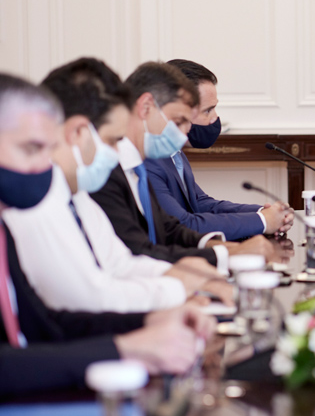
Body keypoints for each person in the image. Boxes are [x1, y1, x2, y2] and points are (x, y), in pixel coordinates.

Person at [0, 72, 214, 396]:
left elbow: (43, 321)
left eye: (48, 149)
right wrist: (124, 348)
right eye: (31, 149)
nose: (43, 165)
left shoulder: (6, 224)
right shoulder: (28, 213)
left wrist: (148, 322)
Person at [2, 58, 232, 313]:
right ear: (76, 132)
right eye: (113, 140)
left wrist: (185, 275)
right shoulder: (36, 204)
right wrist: (178, 287)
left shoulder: (78, 196)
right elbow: (88, 299)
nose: (118, 153)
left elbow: (120, 263)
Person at [89, 61, 273, 273]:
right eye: (178, 122)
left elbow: (168, 228)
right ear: (146, 107)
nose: (185, 133)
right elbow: (139, 252)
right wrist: (227, 254)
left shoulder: (139, 163)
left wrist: (228, 250)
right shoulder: (109, 170)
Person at [144, 59, 292, 241]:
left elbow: (200, 203)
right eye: (208, 110)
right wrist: (262, 221)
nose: (215, 118)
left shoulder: (174, 151)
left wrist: (263, 212)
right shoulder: (148, 159)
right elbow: (183, 225)